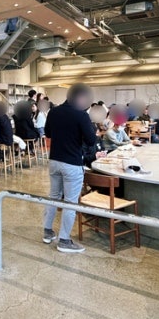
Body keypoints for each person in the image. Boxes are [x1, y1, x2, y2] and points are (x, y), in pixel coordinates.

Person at [42, 84, 96, 253]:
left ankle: (47, 231)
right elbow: (91, 141)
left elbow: (48, 133)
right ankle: (64, 240)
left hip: (54, 161)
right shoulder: (81, 115)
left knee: (53, 196)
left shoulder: (54, 111)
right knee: (70, 202)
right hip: (72, 163)